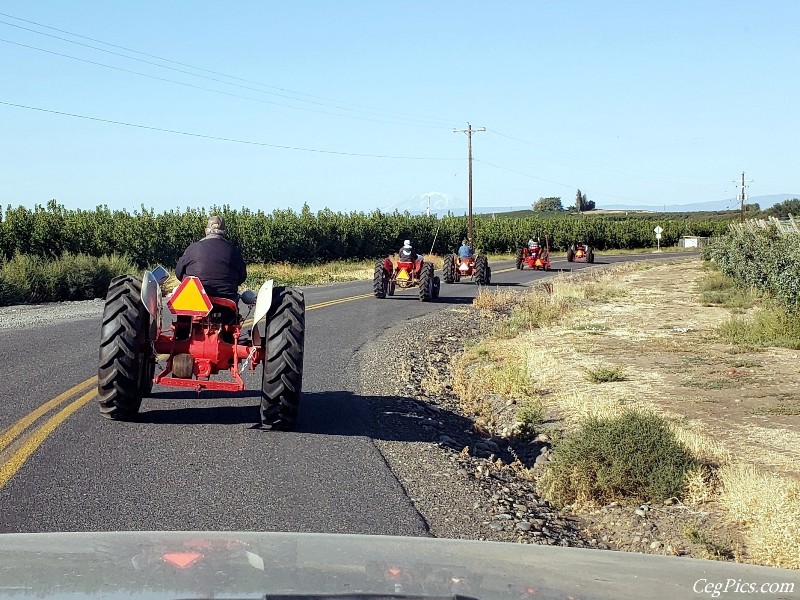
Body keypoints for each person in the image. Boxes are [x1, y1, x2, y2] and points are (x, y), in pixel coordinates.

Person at [175, 215, 247, 302]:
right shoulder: (233, 250)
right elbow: (242, 276)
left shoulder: (192, 248)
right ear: (224, 232)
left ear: (206, 231)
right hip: (226, 298)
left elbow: (178, 273)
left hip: (196, 298)